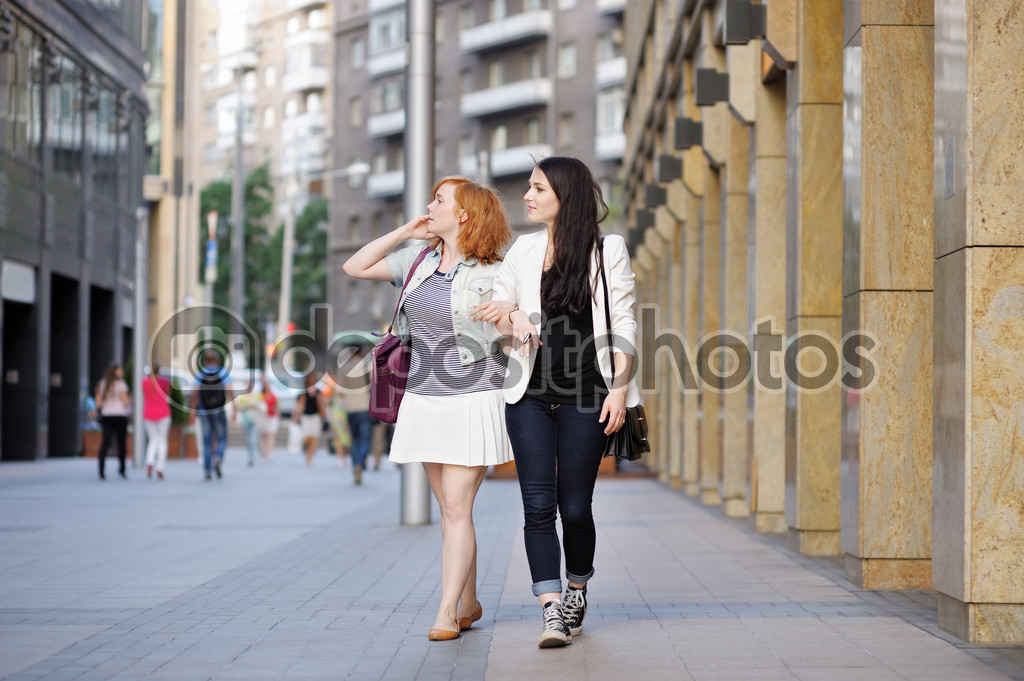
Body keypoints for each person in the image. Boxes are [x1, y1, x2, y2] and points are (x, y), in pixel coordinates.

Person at [473, 156, 639, 648]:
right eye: (529, 187)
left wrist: (620, 388)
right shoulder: (522, 250)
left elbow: (625, 323)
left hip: (589, 393)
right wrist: (513, 316)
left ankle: (577, 587)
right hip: (529, 392)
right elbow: (495, 316)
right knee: (537, 506)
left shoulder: (609, 250)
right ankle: (551, 610)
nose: (527, 196)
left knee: (576, 507)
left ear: (564, 195)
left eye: (538, 188)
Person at [342, 176, 513, 640]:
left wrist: (512, 321)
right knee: (451, 511)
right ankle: (470, 601)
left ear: (464, 214)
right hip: (423, 397)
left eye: (439, 200)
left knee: (456, 507)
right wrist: (404, 232)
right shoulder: (418, 261)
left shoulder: (497, 270)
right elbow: (355, 267)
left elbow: (518, 326)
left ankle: (445, 612)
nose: (429, 206)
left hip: (474, 396)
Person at [189, 350, 234, 480]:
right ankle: (218, 457)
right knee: (222, 438)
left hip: (204, 411)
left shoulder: (200, 374)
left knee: (207, 441)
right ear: (217, 360)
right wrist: (234, 407)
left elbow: (195, 394)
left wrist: (192, 411)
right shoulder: (222, 372)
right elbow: (229, 390)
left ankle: (207, 470)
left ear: (204, 361)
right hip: (219, 410)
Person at [341, 345, 372, 485]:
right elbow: (374, 384)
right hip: (364, 406)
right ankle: (359, 463)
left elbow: (340, 390)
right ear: (362, 352)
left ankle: (355, 466)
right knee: (365, 441)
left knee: (355, 440)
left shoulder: (344, 368)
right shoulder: (367, 366)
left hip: (350, 408)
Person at [95, 362, 131, 480]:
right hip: (120, 416)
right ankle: (122, 469)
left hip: (107, 416)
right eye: (119, 370)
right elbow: (125, 403)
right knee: (121, 444)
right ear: (114, 372)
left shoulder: (102, 384)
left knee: (105, 442)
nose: (121, 372)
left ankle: (101, 470)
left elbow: (99, 404)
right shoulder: (121, 385)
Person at [142, 363, 172, 479]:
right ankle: (160, 467)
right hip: (163, 413)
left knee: (152, 440)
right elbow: (168, 395)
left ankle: (149, 462)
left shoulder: (144, 382)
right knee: (162, 440)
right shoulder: (164, 382)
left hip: (148, 413)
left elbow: (144, 395)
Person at [294, 373, 325, 466]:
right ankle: (306, 450)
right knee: (307, 437)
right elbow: (299, 405)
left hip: (316, 416)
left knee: (314, 437)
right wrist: (297, 416)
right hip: (305, 417)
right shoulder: (303, 392)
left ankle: (309, 457)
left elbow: (322, 404)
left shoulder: (318, 392)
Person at [235, 388, 266, 467]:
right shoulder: (242, 397)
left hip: (255, 421)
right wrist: (245, 406)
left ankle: (252, 457)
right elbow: (238, 407)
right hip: (246, 421)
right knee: (248, 440)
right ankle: (250, 456)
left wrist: (254, 405)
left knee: (253, 439)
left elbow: (263, 407)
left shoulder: (257, 396)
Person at [260, 381, 279, 461]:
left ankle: (269, 452)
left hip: (272, 417)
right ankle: (264, 449)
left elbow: (277, 406)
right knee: (264, 435)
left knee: (270, 435)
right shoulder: (262, 396)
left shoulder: (274, 397)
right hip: (264, 417)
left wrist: (274, 409)